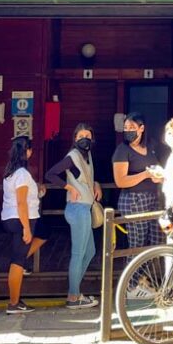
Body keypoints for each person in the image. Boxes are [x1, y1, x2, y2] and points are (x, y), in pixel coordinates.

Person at [45, 123, 102, 309]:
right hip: (77, 209)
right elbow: (51, 174)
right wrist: (68, 187)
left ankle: (75, 290)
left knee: (90, 252)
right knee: (78, 254)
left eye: (88, 135)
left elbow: (85, 177)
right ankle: (73, 296)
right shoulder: (72, 157)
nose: (85, 139)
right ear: (75, 139)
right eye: (80, 136)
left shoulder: (88, 156)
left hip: (84, 208)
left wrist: (96, 184)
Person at [112, 112, 164, 261]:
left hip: (154, 198)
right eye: (126, 127)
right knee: (138, 243)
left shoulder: (151, 146)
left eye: (132, 127)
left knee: (157, 239)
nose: (128, 130)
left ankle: (151, 278)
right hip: (133, 200)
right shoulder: (122, 150)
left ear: (141, 128)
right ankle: (133, 282)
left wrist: (159, 176)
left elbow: (158, 166)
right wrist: (145, 175)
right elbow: (120, 181)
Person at [0, 135, 40, 314]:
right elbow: (21, 202)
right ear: (28, 151)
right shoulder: (23, 174)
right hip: (22, 218)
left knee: (44, 232)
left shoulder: (10, 172)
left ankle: (21, 264)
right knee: (17, 261)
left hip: (9, 217)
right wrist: (26, 228)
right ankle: (14, 303)